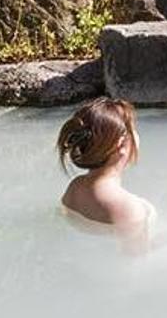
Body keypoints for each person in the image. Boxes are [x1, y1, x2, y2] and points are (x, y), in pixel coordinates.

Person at [57, 98, 155, 248]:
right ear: (121, 144)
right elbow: (136, 260)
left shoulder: (75, 187)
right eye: (133, 129)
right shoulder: (128, 208)